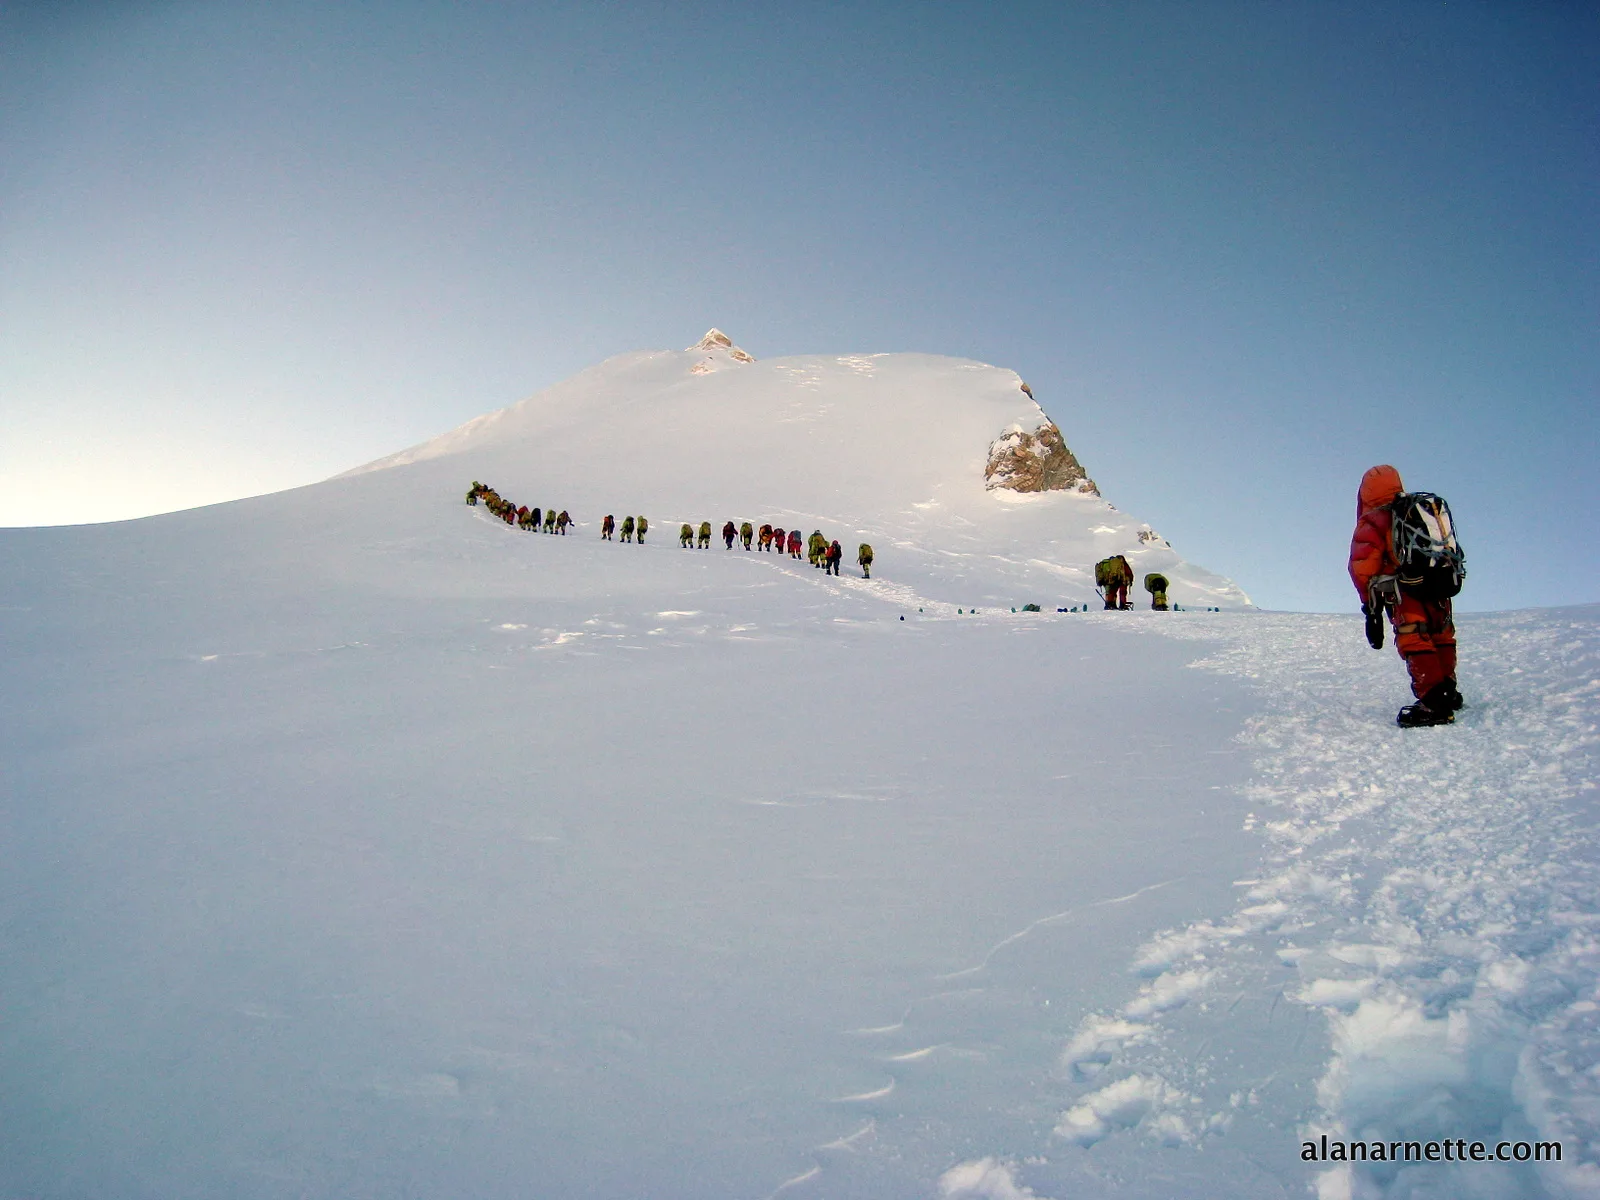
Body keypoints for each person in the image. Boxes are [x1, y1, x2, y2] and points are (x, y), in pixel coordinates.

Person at [1349, 464, 1463, 727]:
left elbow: (1363, 566)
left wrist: (1371, 608)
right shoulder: (1416, 510)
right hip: (1439, 585)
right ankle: (1448, 690)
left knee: (1415, 638)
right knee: (1441, 634)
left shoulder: (1374, 520)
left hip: (1406, 591)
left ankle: (1434, 703)